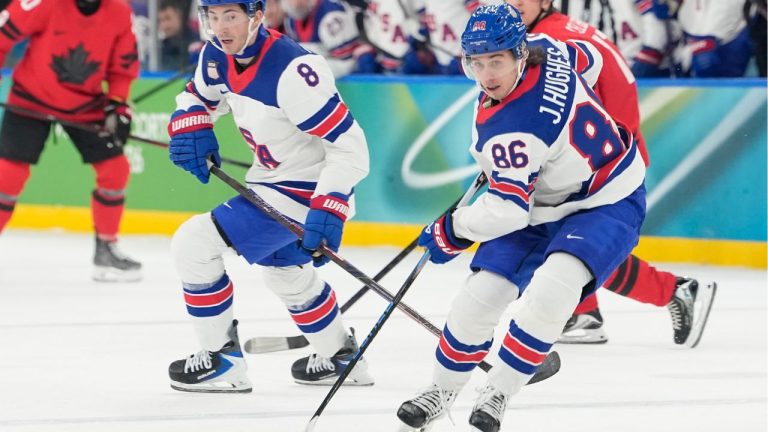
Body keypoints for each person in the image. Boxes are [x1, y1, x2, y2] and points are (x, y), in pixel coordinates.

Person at [396, 4, 646, 431]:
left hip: (607, 199)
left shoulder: (513, 130)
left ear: (519, 53)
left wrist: (452, 229)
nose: (487, 74)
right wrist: (548, 145)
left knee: (554, 289)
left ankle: (498, 391)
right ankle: (440, 390)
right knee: (480, 295)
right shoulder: (552, 47)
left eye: (497, 61)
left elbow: (509, 210)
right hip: (545, 201)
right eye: (477, 62)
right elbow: (595, 60)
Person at [166, 0, 372, 393]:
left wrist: (329, 206)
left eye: (231, 16)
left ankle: (221, 361)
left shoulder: (294, 70)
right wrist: (192, 125)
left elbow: (349, 146)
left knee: (193, 244)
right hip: (270, 181)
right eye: (212, 16)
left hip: (306, 191)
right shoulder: (215, 56)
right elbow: (198, 97)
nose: (220, 27)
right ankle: (340, 358)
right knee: (286, 273)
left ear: (256, 16)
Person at [506, 0, 716, 346]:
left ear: (545, 2)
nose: (514, 4)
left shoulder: (546, 42)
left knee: (568, 240)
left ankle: (670, 292)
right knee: (567, 239)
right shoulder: (557, 29)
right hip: (603, 149)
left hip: (604, 158)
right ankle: (588, 311)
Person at [0, 0, 141, 282]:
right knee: (8, 177)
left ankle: (106, 249)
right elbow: (3, 37)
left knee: (115, 169)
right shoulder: (44, 3)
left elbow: (122, 68)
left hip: (85, 106)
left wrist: (118, 105)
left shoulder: (120, 13)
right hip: (30, 99)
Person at [281, 0, 366, 77]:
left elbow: (348, 61)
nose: (295, 3)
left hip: (356, 72)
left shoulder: (330, 14)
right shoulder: (290, 21)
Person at [159, 0, 203, 70]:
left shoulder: (198, 45)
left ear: (179, 16)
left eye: (168, 18)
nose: (165, 25)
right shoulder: (159, 49)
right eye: (160, 20)